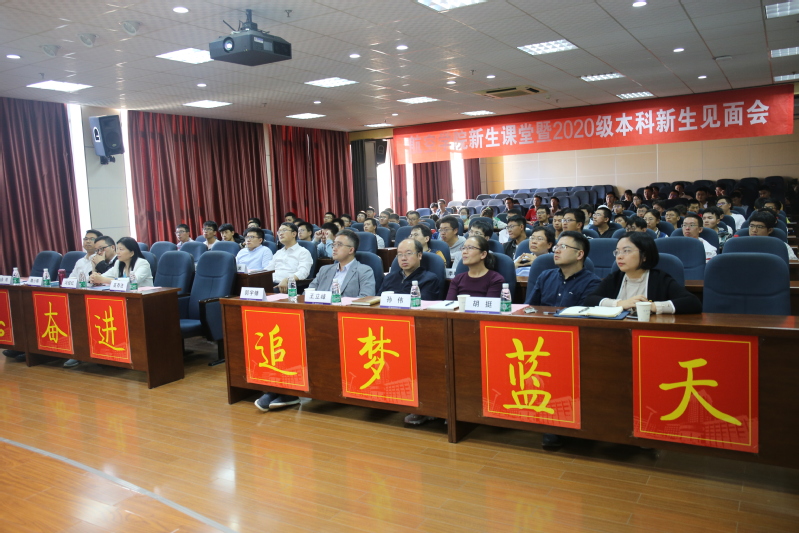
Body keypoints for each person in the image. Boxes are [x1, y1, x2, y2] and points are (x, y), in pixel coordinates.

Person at [584, 232, 702, 314]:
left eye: (626, 251)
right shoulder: (614, 278)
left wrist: (653, 306)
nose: (619, 256)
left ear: (644, 256)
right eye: (617, 252)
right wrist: (621, 303)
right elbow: (590, 300)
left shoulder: (659, 279)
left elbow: (693, 303)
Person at [525, 231, 601, 308]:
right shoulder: (545, 277)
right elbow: (528, 308)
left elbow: (583, 313)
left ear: (579, 254)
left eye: (563, 247)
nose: (556, 251)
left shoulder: (592, 283)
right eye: (556, 247)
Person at [309, 229, 375, 297]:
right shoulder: (324, 270)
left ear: (351, 250)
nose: (334, 249)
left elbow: (366, 298)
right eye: (334, 244)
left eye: (339, 245)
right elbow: (308, 293)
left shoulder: (364, 271)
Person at [267, 222, 314, 293]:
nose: (280, 233)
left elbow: (303, 272)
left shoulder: (303, 252)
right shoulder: (278, 253)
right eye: (279, 231)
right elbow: (268, 270)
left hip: (289, 287)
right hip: (271, 284)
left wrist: (287, 280)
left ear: (294, 234)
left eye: (284, 230)